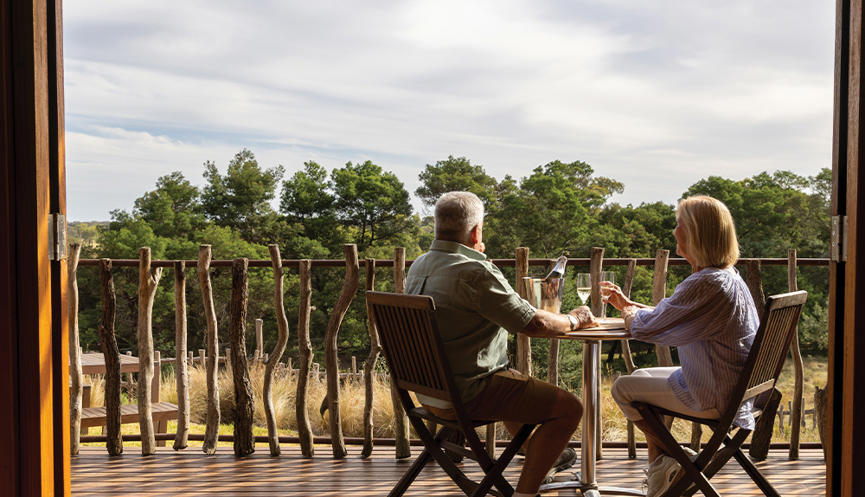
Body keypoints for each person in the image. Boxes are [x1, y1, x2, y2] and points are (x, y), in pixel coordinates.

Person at [406, 191, 597, 497]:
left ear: (437, 225)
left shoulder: (420, 266)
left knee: (511, 378)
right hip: (467, 395)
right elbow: (535, 324)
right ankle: (527, 489)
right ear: (476, 231)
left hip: (429, 394)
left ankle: (541, 455)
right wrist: (574, 319)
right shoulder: (474, 271)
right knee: (569, 409)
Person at [602, 195, 759, 497]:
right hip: (732, 384)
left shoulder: (706, 283)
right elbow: (671, 316)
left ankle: (679, 461)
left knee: (623, 387)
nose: (674, 231)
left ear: (697, 234)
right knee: (644, 377)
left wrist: (627, 313)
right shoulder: (727, 277)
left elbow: (645, 328)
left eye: (679, 225)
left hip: (716, 394)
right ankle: (662, 476)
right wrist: (629, 304)